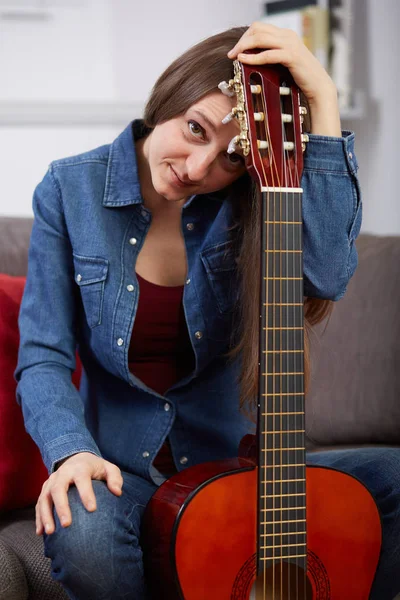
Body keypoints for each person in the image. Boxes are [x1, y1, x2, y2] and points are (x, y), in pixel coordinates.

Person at [14, 22, 399, 600]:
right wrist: (71, 451)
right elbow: (42, 356)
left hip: (239, 472)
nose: (198, 169)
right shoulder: (70, 189)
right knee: (83, 530)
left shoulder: (253, 197)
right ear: (169, 93)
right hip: (126, 475)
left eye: (230, 159)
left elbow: (326, 275)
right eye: (194, 129)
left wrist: (322, 100)